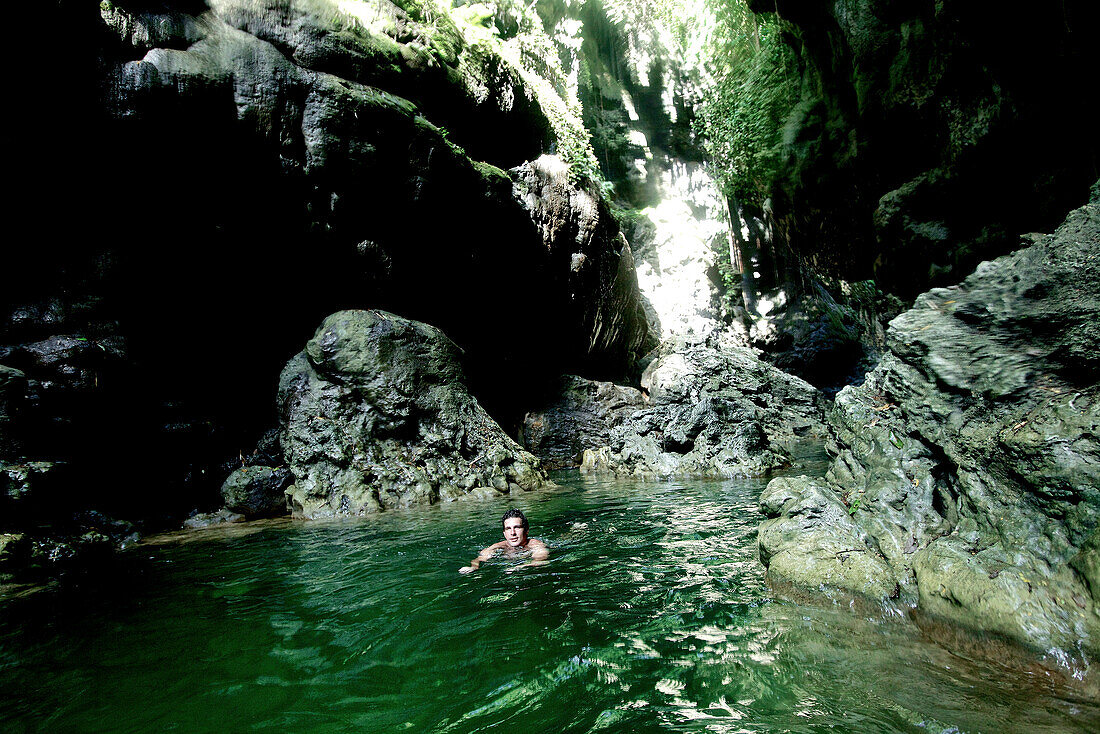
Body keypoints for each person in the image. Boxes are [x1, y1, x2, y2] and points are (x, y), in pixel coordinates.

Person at [459, 508, 548, 574]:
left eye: (517, 527)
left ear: (526, 530)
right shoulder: (499, 546)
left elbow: (540, 560)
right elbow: (480, 558)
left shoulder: (535, 544)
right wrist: (474, 567)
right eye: (508, 529)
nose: (512, 533)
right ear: (504, 533)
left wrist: (519, 567)